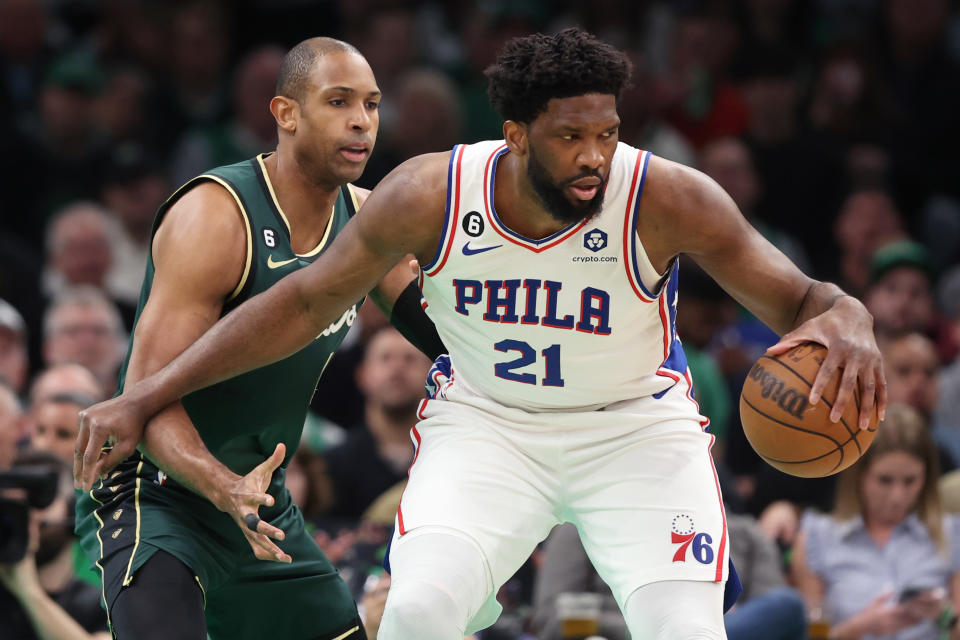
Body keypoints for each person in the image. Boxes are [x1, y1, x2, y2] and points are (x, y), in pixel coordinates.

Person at [76, 29, 885, 640]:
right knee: (418, 613)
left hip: (633, 431)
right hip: (488, 429)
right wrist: (141, 396)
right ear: (518, 132)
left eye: (606, 133)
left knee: (684, 629)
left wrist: (850, 317)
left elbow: (808, 296)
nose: (595, 157)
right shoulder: (429, 193)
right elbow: (299, 302)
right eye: (572, 137)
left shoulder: (665, 194)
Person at [72, 37, 443, 640]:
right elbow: (145, 396)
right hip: (159, 493)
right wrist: (221, 487)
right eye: (339, 101)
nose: (361, 121)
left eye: (373, 105)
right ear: (286, 114)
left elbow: (447, 334)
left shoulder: (370, 221)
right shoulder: (215, 214)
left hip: (258, 506)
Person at [792, 404, 960, 639]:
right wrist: (861, 627)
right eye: (884, 480)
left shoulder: (951, 533)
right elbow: (811, 635)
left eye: (910, 481)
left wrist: (945, 615)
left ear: (927, 477)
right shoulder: (817, 538)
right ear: (857, 474)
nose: (897, 497)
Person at [0, 449, 111, 640]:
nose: (27, 515)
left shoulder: (101, 605)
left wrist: (29, 591)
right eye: (14, 505)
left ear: (73, 509)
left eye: (38, 500)